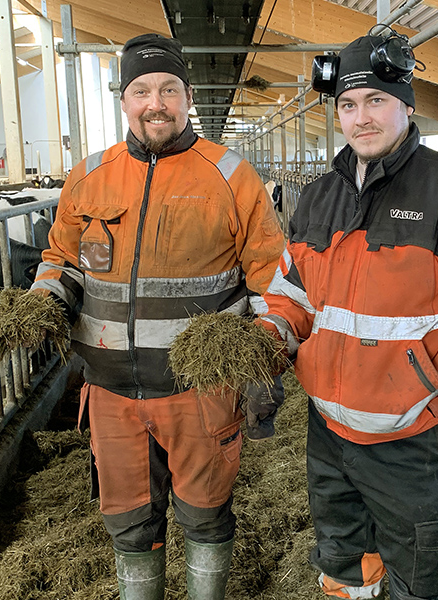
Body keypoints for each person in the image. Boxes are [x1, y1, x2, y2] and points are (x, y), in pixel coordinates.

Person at [255, 31, 438, 600]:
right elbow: (293, 294)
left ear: (407, 106)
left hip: (415, 438)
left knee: (424, 581)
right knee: (344, 567)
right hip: (330, 434)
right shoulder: (319, 196)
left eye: (375, 101)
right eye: (347, 104)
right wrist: (269, 338)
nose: (360, 117)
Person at [28, 33, 285, 600]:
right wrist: (44, 302)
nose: (156, 102)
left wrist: (266, 350)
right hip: (111, 393)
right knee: (129, 522)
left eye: (169, 89)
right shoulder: (89, 175)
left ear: (188, 98)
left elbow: (273, 279)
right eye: (141, 90)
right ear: (124, 100)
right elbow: (62, 260)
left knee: (205, 515)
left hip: (201, 390)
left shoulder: (230, 175)